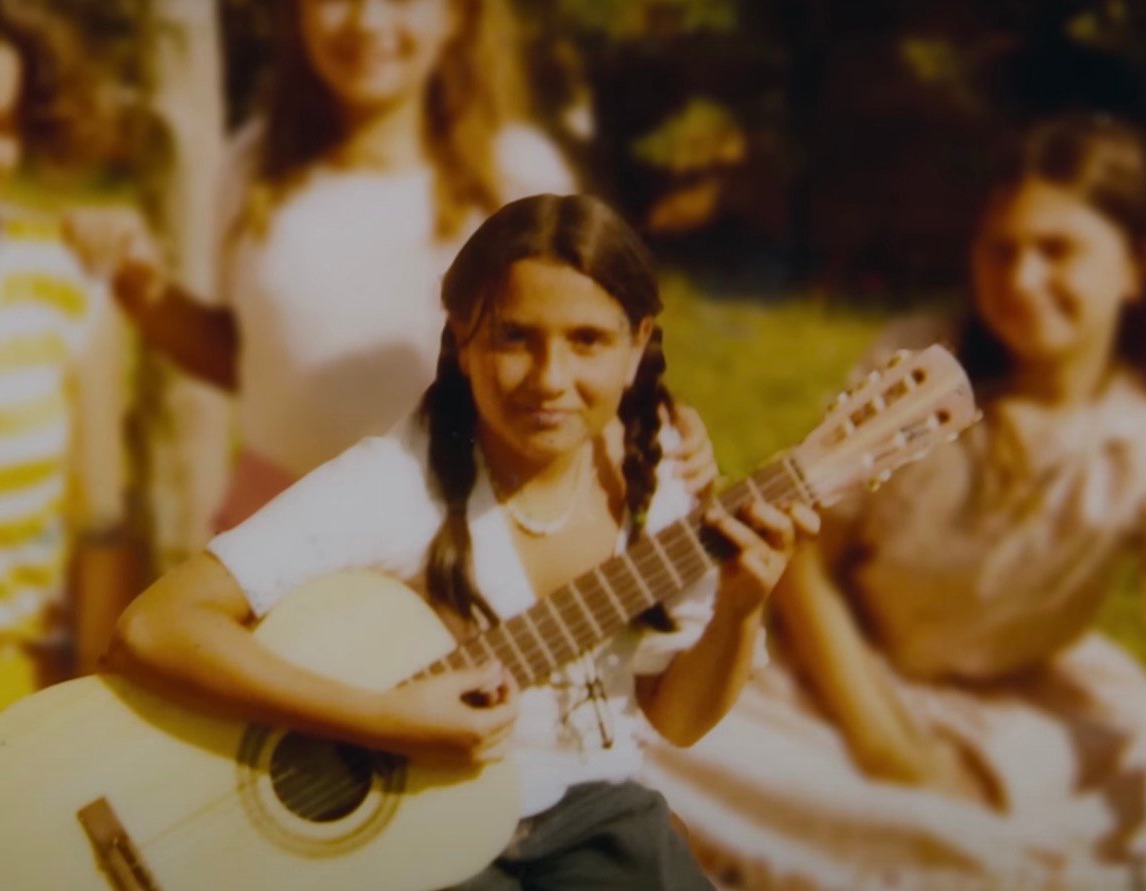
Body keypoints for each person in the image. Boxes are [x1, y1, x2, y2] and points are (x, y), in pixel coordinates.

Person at [104, 193, 818, 889]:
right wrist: (386, 721)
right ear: (463, 339)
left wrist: (743, 605)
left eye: (588, 341)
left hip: (596, 826)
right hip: (417, 834)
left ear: (637, 346)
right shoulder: (392, 485)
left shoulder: (661, 480)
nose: (550, 379)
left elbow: (678, 719)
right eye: (514, 336)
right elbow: (154, 626)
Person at [643, 114, 1146, 890]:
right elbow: (808, 568)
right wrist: (885, 743)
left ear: (1134, 268)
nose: (1020, 278)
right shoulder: (926, 369)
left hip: (1009, 688)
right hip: (826, 663)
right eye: (1000, 249)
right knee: (666, 746)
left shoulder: (1133, 429)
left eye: (1058, 251)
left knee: (1113, 764)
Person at [66, 0, 729, 548]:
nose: (367, 20)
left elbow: (579, 349)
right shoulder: (253, 168)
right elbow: (248, 357)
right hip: (279, 522)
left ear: (459, 17)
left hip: (458, 532)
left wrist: (655, 417)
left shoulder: (516, 176)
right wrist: (139, 286)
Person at [0, 12, 132, 761]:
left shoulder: (64, 281)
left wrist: (87, 723)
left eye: (2, 126)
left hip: (4, 702)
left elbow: (101, 526)